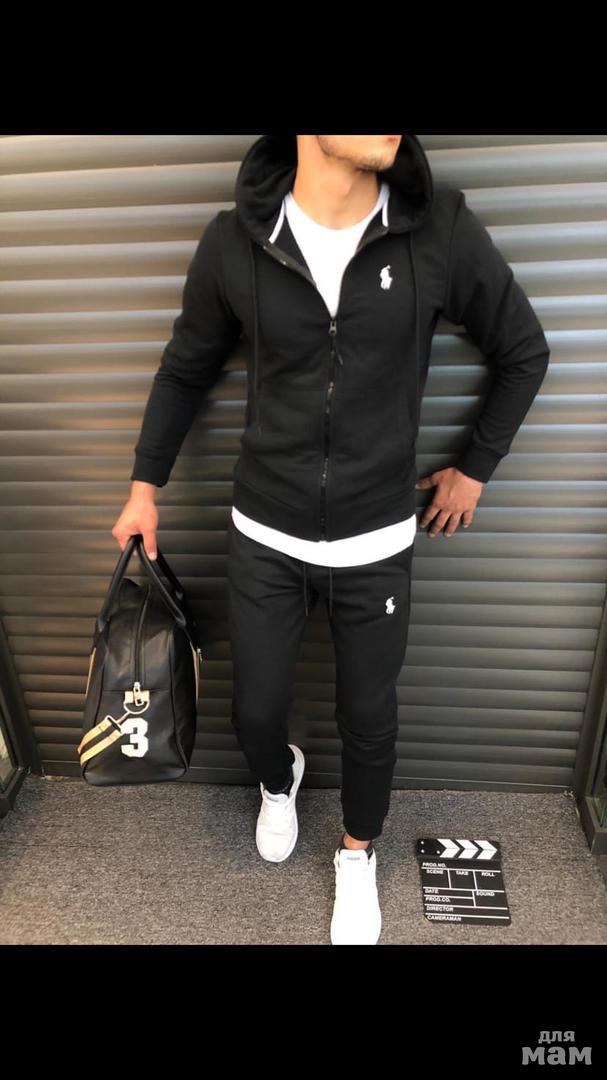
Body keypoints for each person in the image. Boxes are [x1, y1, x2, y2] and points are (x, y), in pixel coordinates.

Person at [112, 134, 550, 944]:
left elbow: (523, 350)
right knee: (255, 710)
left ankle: (356, 853)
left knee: (367, 716)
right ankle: (277, 781)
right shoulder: (236, 239)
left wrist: (474, 469)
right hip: (264, 531)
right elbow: (185, 368)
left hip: (375, 535)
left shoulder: (438, 229)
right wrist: (144, 488)